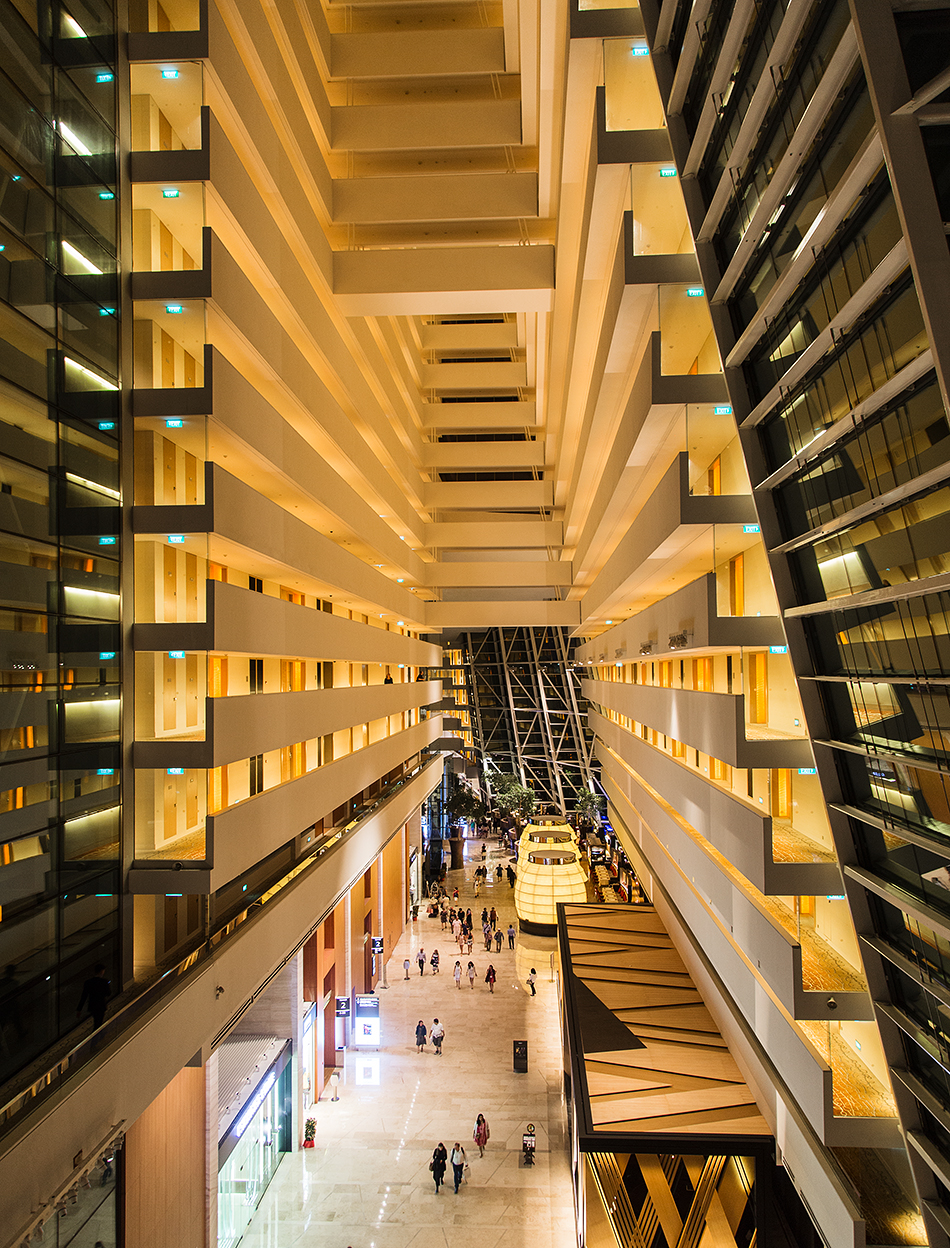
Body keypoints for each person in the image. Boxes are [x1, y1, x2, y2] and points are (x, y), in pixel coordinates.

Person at [77, 964, 110, 1031]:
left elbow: (84, 996)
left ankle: (97, 1033)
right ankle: (98, 1035)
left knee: (96, 1020)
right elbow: (108, 993)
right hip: (101, 1005)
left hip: (93, 1005)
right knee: (99, 1021)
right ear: (102, 972)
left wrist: (79, 1009)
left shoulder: (88, 982)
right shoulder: (104, 982)